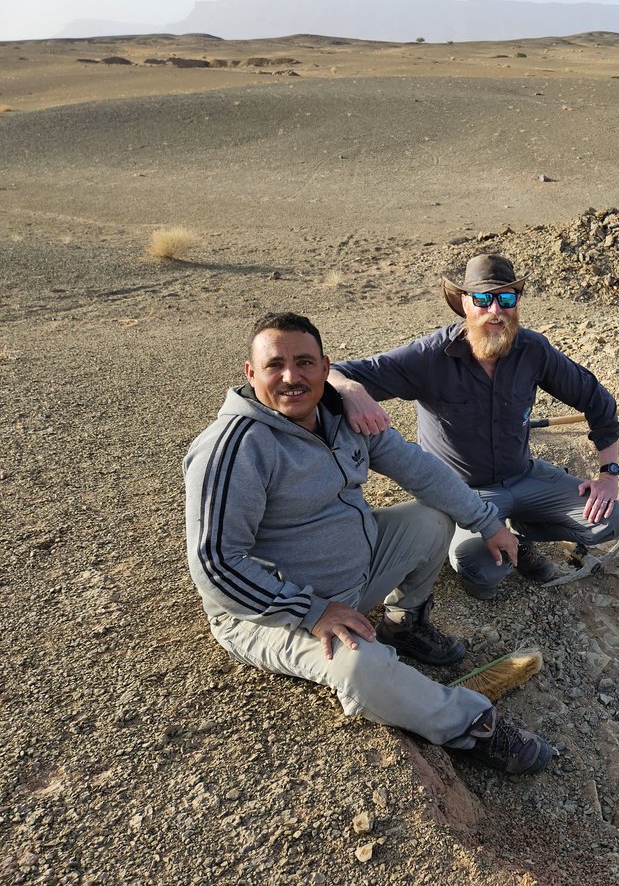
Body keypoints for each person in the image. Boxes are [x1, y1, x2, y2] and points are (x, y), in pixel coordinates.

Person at [184, 311, 551, 774]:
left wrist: (488, 522)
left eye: (304, 362)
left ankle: (405, 621)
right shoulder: (234, 448)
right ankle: (471, 725)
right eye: (275, 365)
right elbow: (214, 562)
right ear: (250, 373)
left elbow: (422, 471)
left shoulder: (343, 417)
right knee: (361, 669)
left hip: (353, 578)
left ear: (326, 367)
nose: (291, 377)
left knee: (432, 517)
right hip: (275, 613)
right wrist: (312, 611)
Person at [327, 253, 619, 600]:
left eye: (506, 298)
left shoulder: (532, 349)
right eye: (483, 299)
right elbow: (335, 371)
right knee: (483, 571)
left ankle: (519, 536)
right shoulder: (430, 357)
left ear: (516, 303)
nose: (495, 310)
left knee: (609, 520)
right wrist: (351, 390)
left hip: (523, 476)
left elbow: (595, 397)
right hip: (463, 495)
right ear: (465, 304)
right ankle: (492, 541)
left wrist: (608, 474)